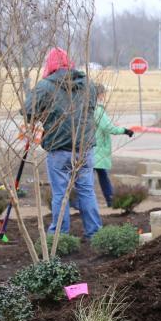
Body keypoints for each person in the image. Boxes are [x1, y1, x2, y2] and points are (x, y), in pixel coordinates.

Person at [25, 47, 102, 240]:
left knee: (61, 193)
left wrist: (44, 115)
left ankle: (59, 235)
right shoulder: (88, 85)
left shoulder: (45, 87)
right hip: (84, 148)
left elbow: (28, 113)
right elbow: (91, 110)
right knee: (86, 190)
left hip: (59, 149)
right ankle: (94, 233)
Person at [92, 86, 134, 207]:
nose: (104, 96)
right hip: (98, 147)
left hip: (93, 147)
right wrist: (125, 131)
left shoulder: (89, 109)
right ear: (100, 95)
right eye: (103, 94)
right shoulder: (98, 110)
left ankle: (110, 200)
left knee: (100, 174)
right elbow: (108, 127)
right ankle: (108, 200)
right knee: (92, 177)